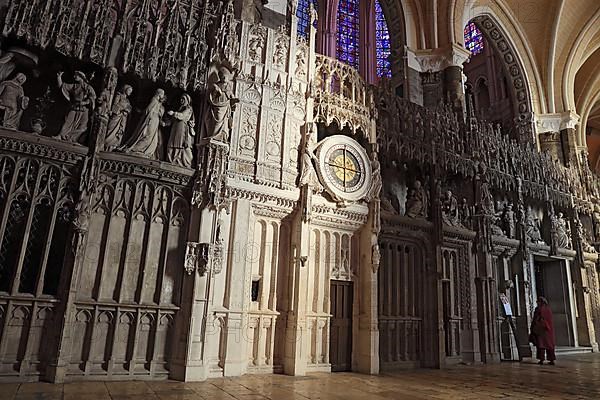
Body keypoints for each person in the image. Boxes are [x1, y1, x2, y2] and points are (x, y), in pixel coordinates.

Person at [120, 88, 166, 158]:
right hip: (151, 120)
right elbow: (148, 110)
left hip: (155, 121)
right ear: (159, 94)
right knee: (147, 136)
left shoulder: (158, 103)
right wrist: (148, 118)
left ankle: (143, 151)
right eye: (162, 94)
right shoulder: (154, 100)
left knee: (151, 138)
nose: (163, 96)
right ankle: (135, 149)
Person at [166, 93, 195, 168]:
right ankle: (171, 159)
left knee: (180, 144)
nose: (181, 100)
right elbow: (173, 119)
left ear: (187, 100)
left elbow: (182, 116)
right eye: (181, 98)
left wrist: (173, 113)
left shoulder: (189, 108)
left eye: (183, 99)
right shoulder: (180, 108)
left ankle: (183, 161)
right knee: (172, 142)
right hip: (176, 128)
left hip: (182, 128)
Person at [529, 296, 556, 365]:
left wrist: (533, 327)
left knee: (541, 345)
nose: (537, 303)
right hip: (548, 330)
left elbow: (536, 319)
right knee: (549, 345)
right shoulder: (548, 309)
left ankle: (541, 359)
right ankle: (551, 359)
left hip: (541, 329)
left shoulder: (539, 309)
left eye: (538, 302)